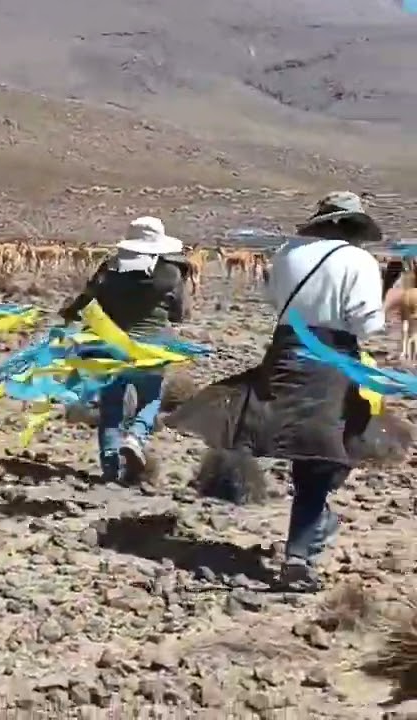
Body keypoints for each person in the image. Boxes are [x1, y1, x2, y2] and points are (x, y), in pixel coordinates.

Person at [165, 191, 385, 591]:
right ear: (349, 225)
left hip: (284, 353)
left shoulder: (286, 254)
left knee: (309, 447)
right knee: (328, 451)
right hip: (331, 359)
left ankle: (311, 526)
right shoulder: (360, 261)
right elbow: (367, 323)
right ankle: (301, 552)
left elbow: (273, 301)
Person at [58, 216, 190, 483]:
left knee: (111, 406)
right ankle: (136, 436)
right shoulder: (173, 272)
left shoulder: (110, 268)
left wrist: (69, 314)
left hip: (111, 346)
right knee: (150, 398)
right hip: (152, 347)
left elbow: (86, 300)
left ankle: (109, 465)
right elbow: (179, 313)